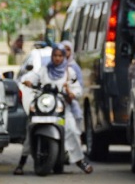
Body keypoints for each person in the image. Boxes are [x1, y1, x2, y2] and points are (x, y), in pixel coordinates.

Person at [14, 43, 93, 175]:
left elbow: (77, 88)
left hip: (61, 110)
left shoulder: (69, 72)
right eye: (55, 56)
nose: (57, 58)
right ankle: (21, 163)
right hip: (44, 107)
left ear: (64, 57)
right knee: (30, 127)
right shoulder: (44, 69)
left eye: (60, 56)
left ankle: (80, 161)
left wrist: (71, 92)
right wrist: (27, 81)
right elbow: (32, 77)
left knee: (71, 129)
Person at [60, 40, 84, 128]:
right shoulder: (51, 68)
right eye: (63, 49)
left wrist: (71, 92)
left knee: (76, 115)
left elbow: (79, 85)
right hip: (55, 99)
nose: (66, 52)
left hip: (68, 99)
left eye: (68, 49)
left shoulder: (73, 68)